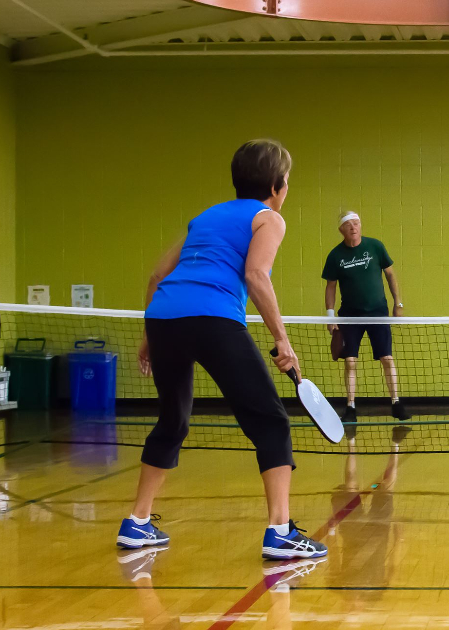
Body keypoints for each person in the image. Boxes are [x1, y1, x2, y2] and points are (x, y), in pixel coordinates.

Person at [117, 139, 327, 560]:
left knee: (173, 420)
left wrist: (148, 337)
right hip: (212, 318)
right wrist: (282, 340)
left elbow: (158, 275)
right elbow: (255, 275)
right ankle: (280, 531)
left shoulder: (205, 217)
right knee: (270, 421)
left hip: (164, 319)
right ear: (278, 184)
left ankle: (137, 523)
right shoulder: (268, 218)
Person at [322, 210, 411, 427]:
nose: (353, 226)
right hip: (349, 317)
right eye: (349, 224)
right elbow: (331, 286)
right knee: (350, 362)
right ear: (341, 230)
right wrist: (330, 316)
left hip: (378, 313)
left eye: (357, 223)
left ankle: (396, 403)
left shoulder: (375, 247)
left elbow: (390, 275)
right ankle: (351, 407)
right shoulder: (335, 256)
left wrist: (397, 303)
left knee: (387, 358)